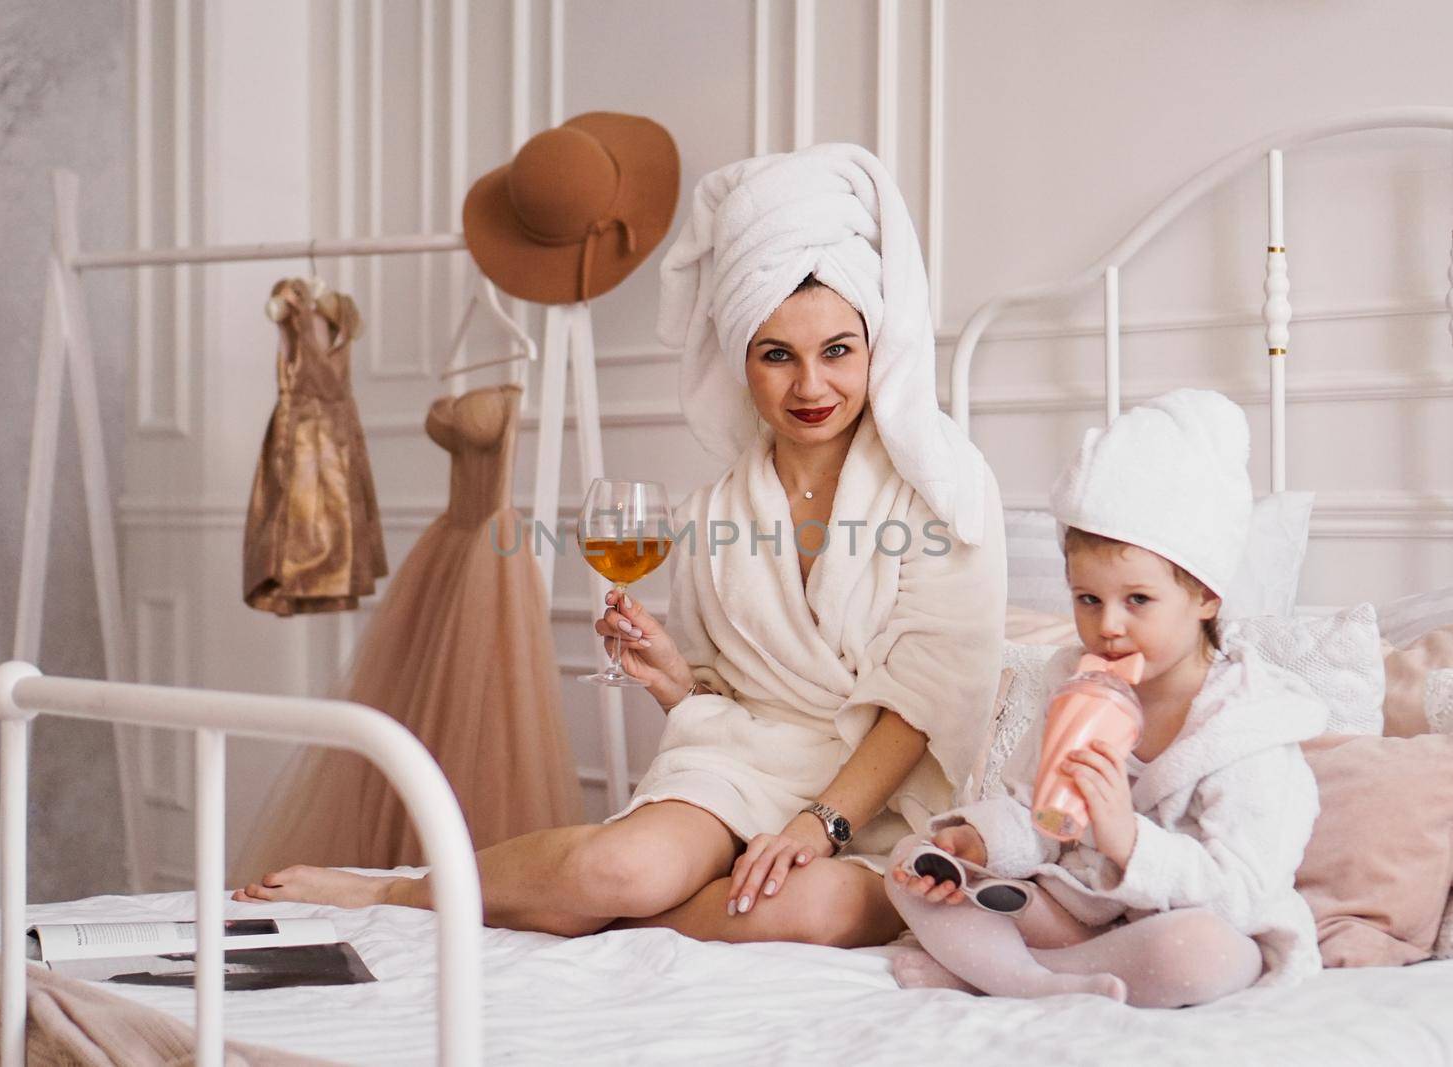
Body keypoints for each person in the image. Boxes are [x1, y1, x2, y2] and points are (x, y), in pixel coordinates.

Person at [233, 144, 1008, 949]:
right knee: (621, 869)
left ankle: (593, 915)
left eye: (837, 351)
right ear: (741, 358)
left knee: (808, 911)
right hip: (743, 766)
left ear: (875, 345)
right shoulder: (720, 507)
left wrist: (819, 826)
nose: (811, 386)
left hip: (883, 803)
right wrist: (678, 681)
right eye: (777, 354)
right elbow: (727, 695)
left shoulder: (942, 488)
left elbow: (922, 702)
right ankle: (397, 887)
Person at [887, 389, 1326, 1007]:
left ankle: (999, 974)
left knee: (1199, 953)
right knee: (912, 863)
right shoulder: (1073, 682)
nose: (1108, 625)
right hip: (1073, 908)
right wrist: (977, 842)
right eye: (1087, 600)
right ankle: (1038, 978)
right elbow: (1033, 814)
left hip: (1181, 924)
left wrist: (1128, 840)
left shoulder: (1248, 725)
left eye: (1137, 600)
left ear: (1206, 597)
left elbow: (1246, 889)